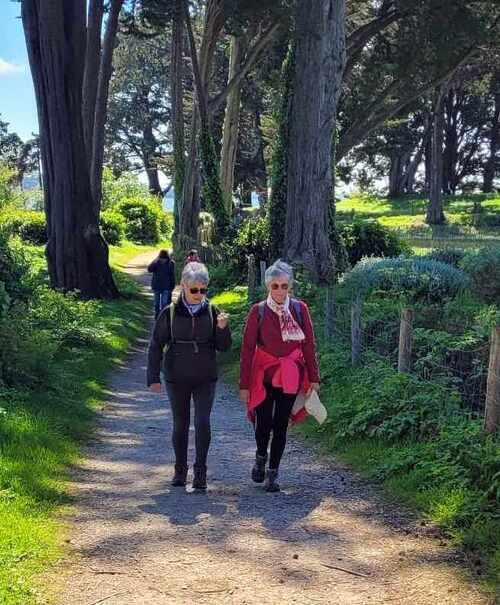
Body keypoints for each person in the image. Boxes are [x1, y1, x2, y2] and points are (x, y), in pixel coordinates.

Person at [147, 262, 231, 490]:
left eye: (203, 290)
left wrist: (223, 328)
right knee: (180, 424)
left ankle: (201, 472)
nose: (199, 295)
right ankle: (180, 470)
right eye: (194, 290)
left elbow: (224, 347)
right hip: (176, 375)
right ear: (183, 286)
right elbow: (156, 345)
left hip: (205, 375)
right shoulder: (170, 313)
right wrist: (153, 377)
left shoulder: (213, 312)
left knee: (203, 423)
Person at [239, 260, 320, 492]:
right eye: (275, 286)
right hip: (264, 374)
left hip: (290, 374)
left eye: (284, 286)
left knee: (281, 424)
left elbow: (309, 345)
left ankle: (273, 473)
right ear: (268, 287)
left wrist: (314, 378)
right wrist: (244, 385)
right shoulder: (259, 311)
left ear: (290, 287)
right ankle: (260, 456)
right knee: (263, 423)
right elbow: (247, 349)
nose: (280, 291)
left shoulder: (299, 309)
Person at [148, 250, 176, 319]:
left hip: (166, 286)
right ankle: (157, 314)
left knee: (164, 303)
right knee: (156, 303)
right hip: (156, 285)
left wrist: (172, 285)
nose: (163, 261)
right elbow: (149, 269)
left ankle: (162, 316)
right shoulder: (156, 263)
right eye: (161, 259)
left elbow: (172, 275)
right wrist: (155, 261)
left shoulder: (171, 263)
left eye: (164, 259)